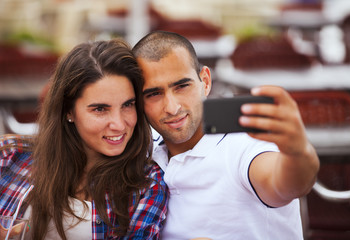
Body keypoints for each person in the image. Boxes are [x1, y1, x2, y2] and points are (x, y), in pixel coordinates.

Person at [132, 31, 320, 240]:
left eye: (182, 86)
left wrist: (298, 151)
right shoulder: (145, 153)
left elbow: (287, 184)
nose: (172, 107)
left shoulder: (244, 145)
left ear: (205, 81)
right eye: (154, 94)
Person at [0, 38, 168, 239]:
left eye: (127, 105)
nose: (119, 124)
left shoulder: (145, 185)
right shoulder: (9, 155)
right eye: (100, 109)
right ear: (68, 110)